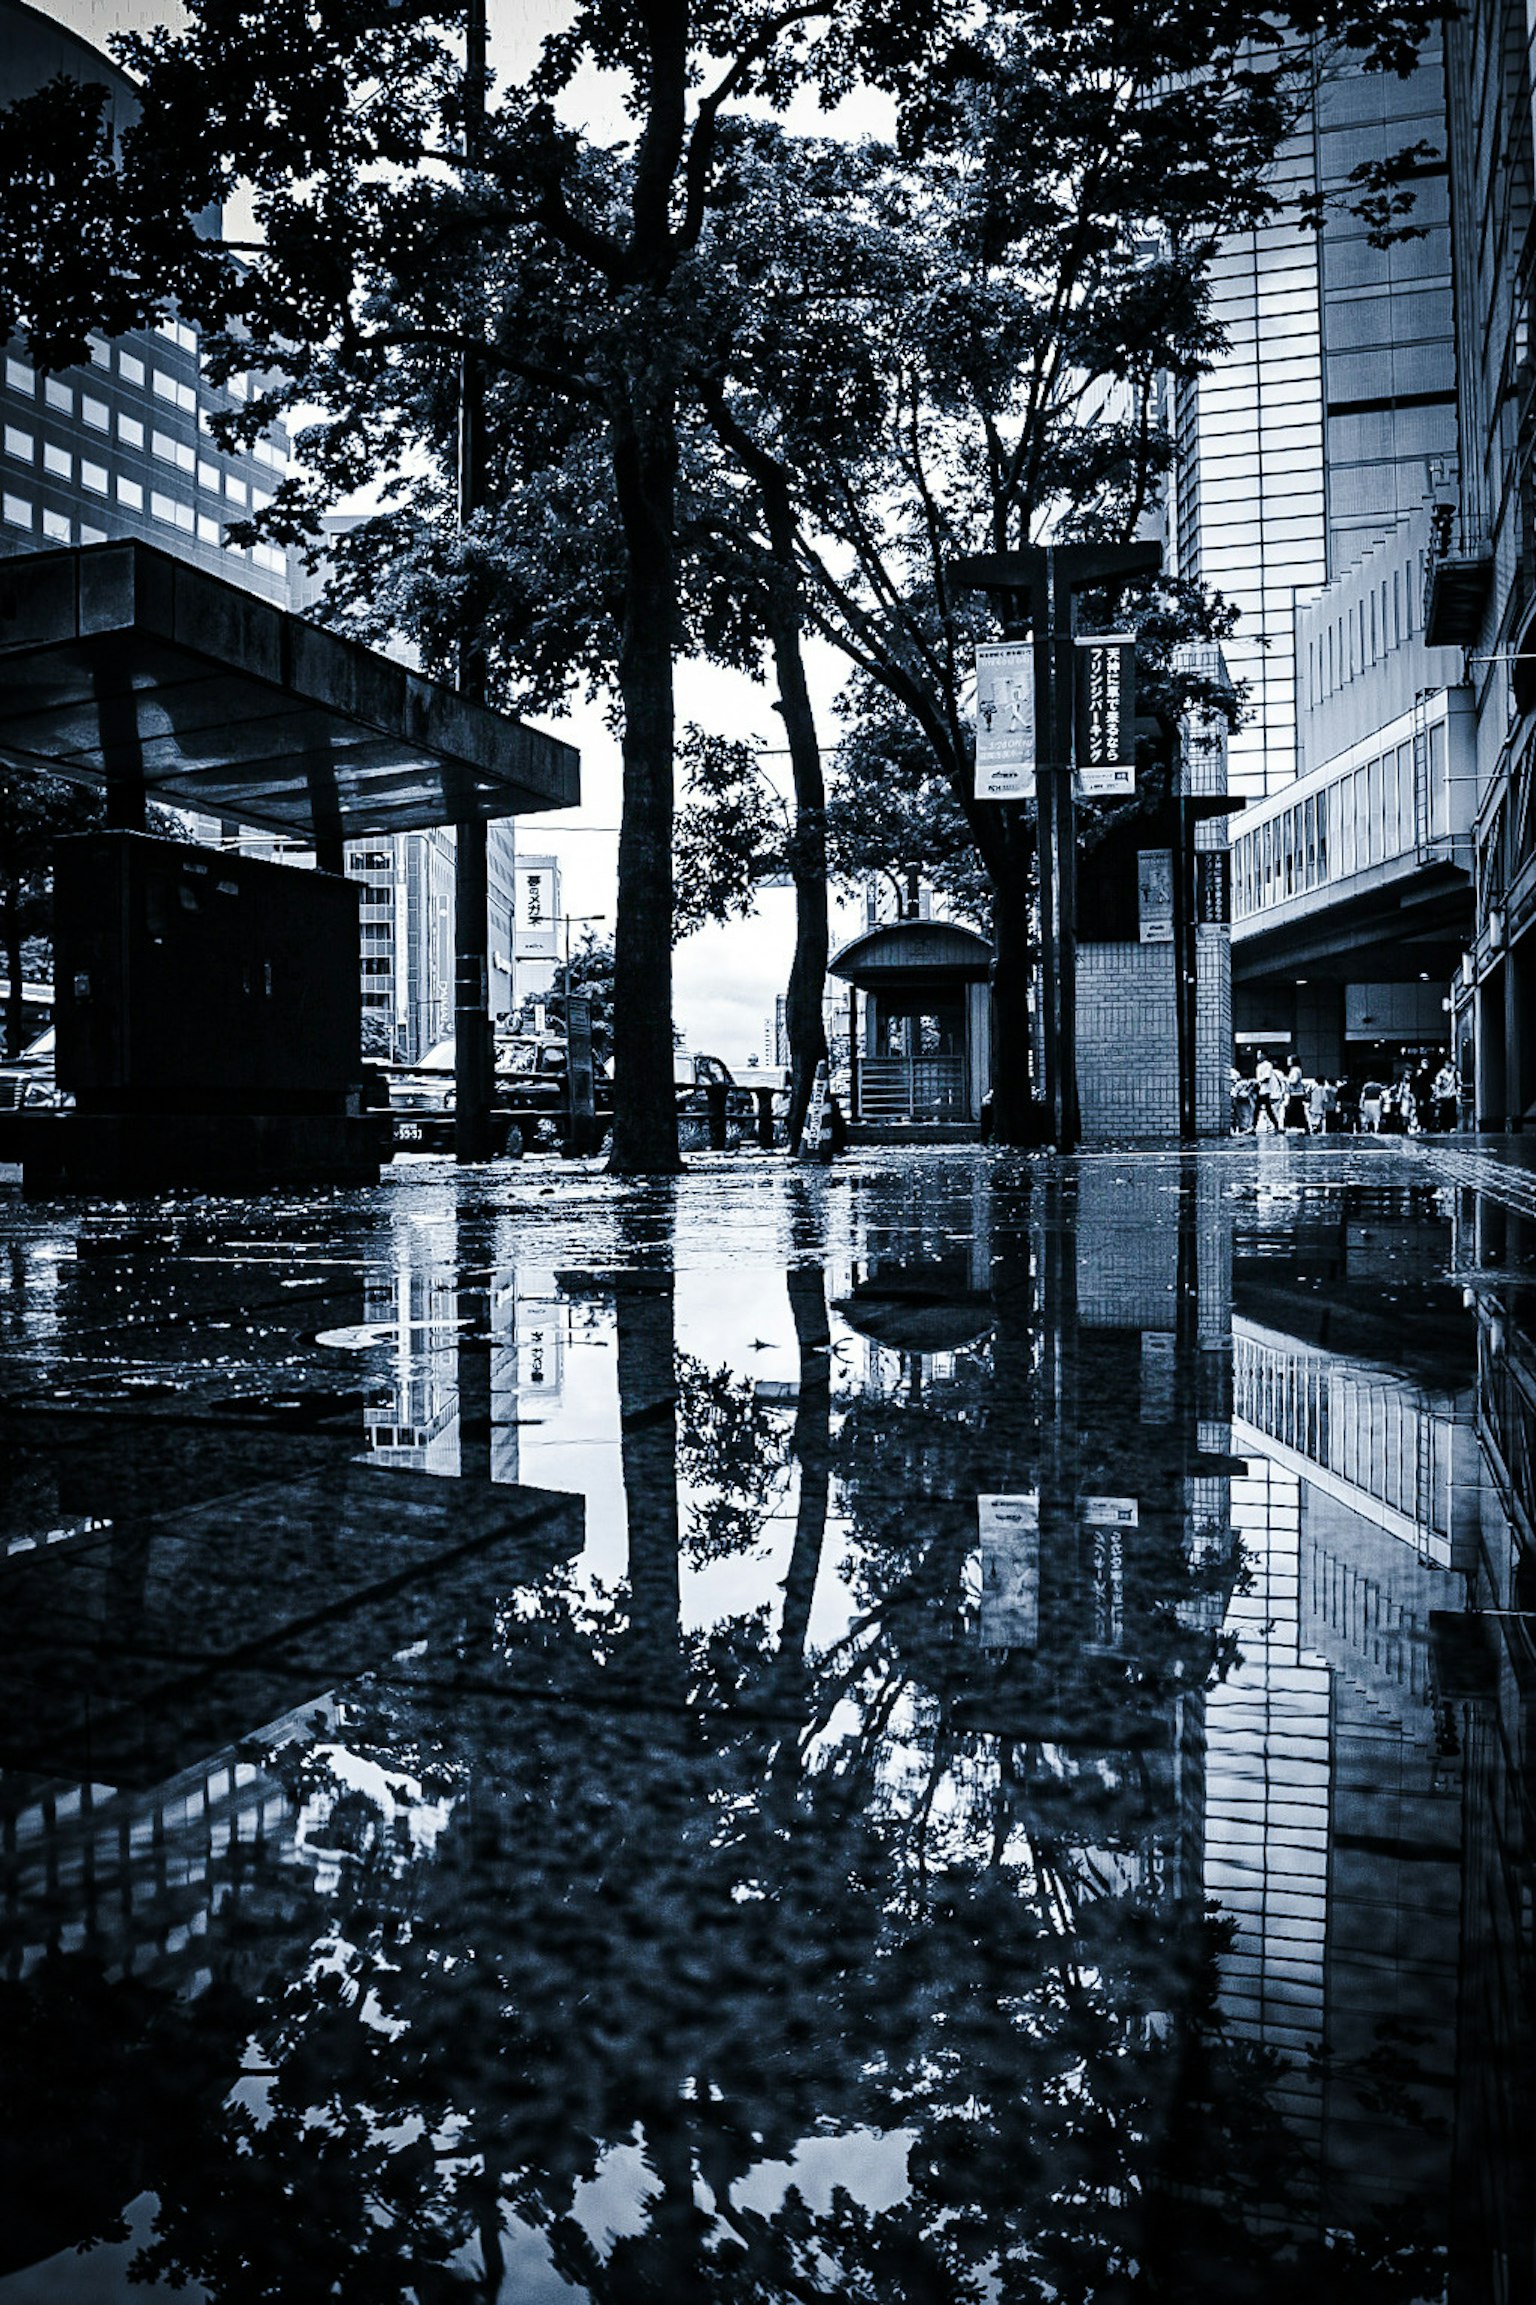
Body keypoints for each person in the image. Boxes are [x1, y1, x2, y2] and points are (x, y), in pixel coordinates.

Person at [1282, 1057, 1309, 1135]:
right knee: (1299, 1110)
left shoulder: (1295, 1070)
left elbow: (1294, 1081)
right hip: (1297, 1093)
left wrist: (1285, 1079)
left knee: (1292, 1109)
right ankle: (1303, 1126)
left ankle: (1291, 1125)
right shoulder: (1297, 1069)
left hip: (1296, 1093)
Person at [1431, 1057, 1459, 1134]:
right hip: (1443, 1095)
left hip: (1452, 1094)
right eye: (1446, 1064)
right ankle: (1443, 1126)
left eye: (1449, 1064)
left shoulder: (1455, 1073)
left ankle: (1452, 1127)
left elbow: (1458, 1083)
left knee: (1452, 1112)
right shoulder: (1442, 1073)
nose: (1447, 1066)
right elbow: (1437, 1083)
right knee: (1444, 1112)